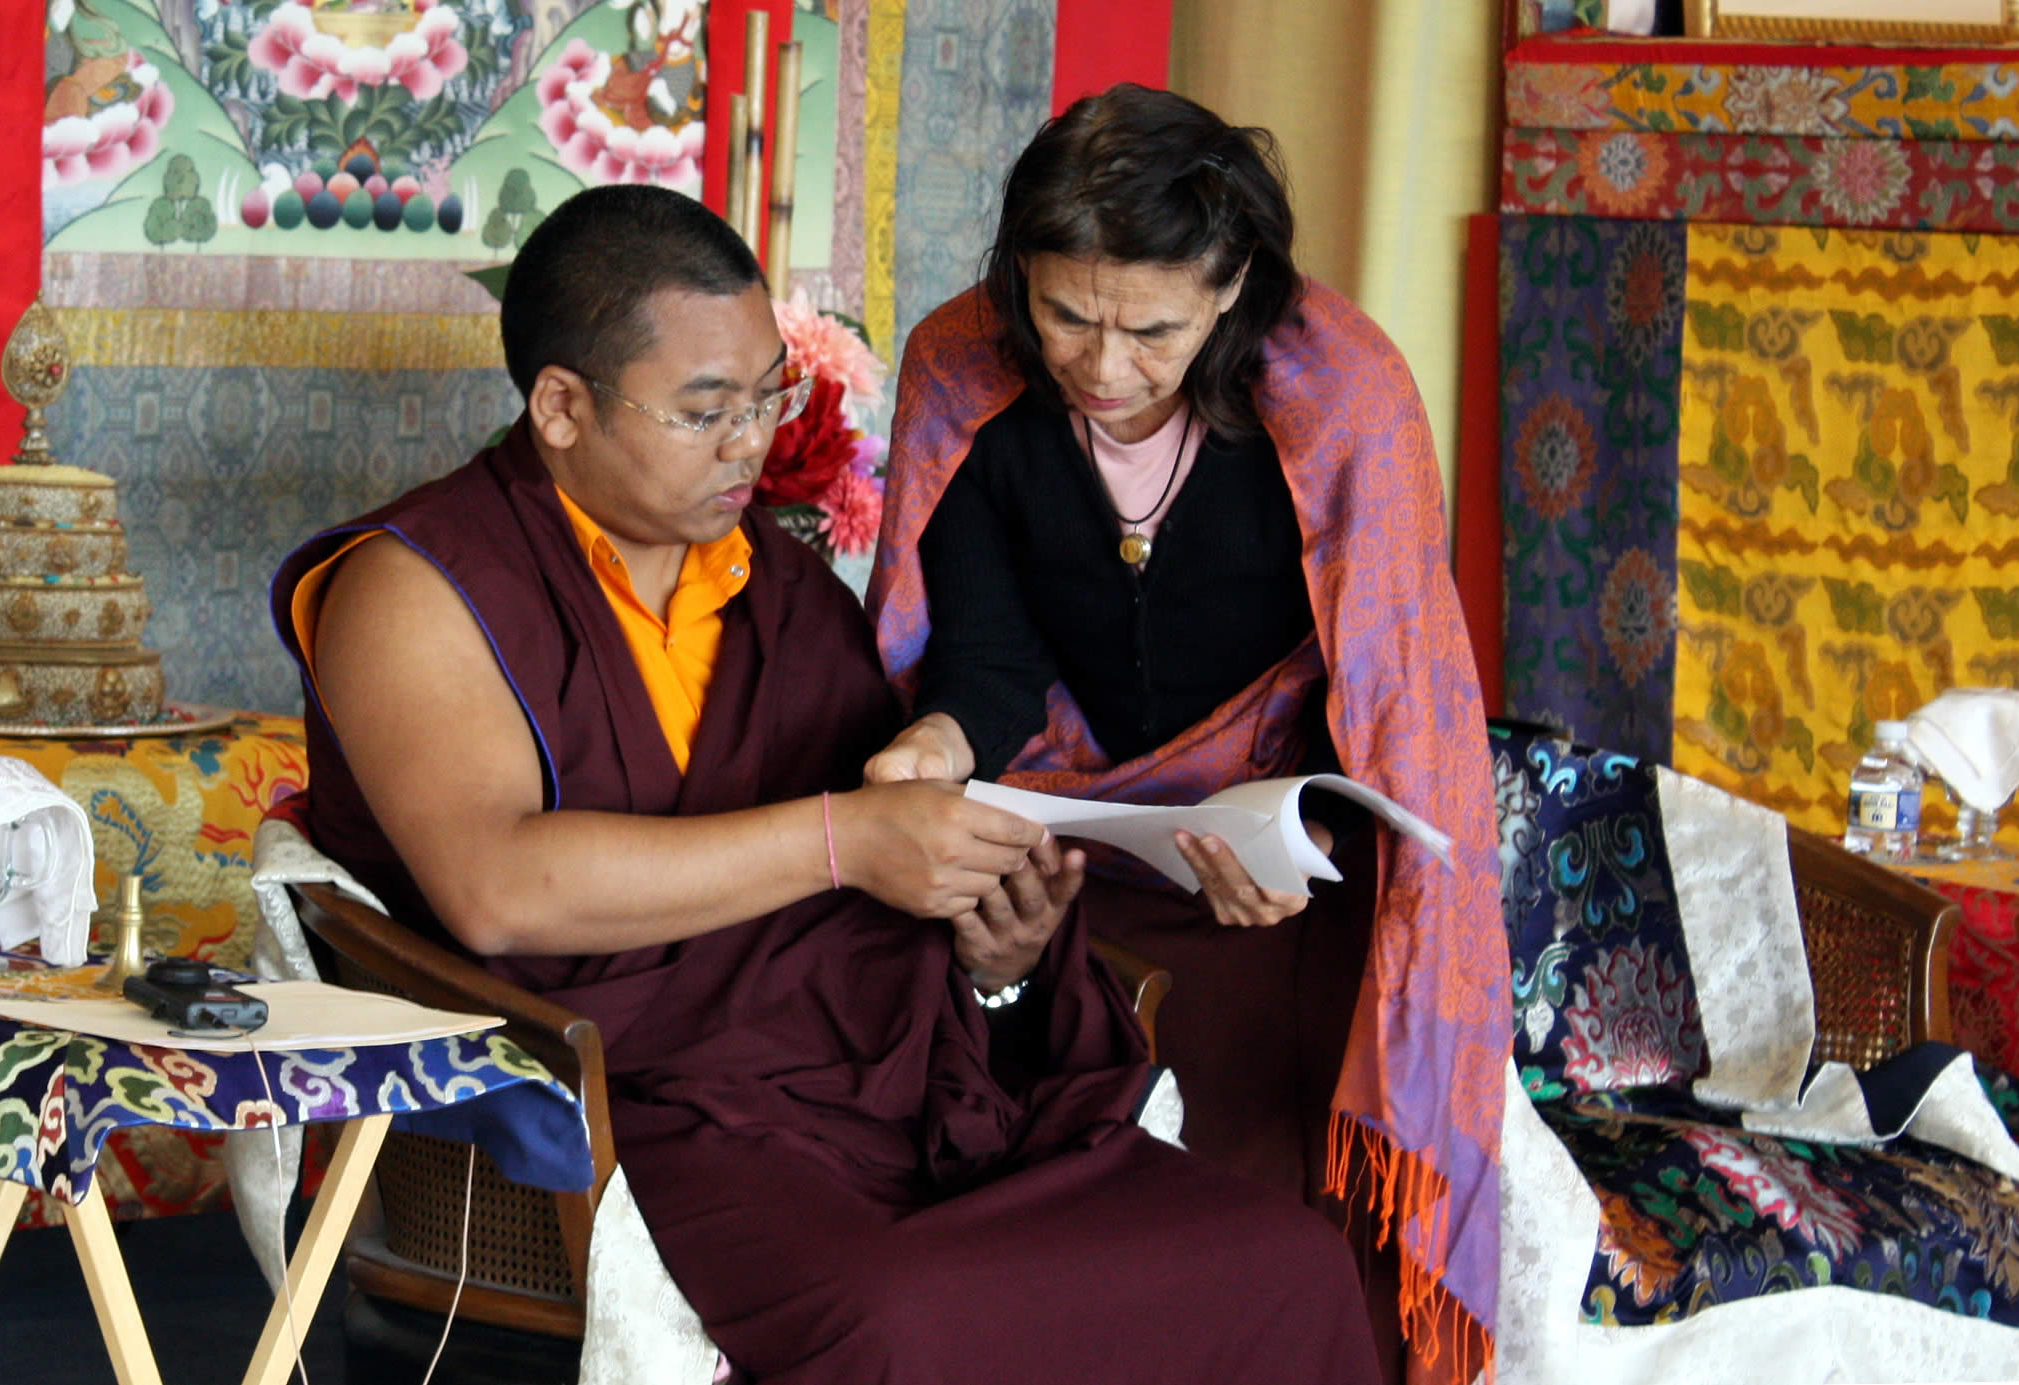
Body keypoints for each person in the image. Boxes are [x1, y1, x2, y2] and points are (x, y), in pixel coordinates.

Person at [269, 184, 1381, 1383]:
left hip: (874, 1090)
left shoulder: (784, 592)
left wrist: (993, 965)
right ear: (560, 406)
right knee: (905, 1319)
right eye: (707, 410)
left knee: (1276, 1258)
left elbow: (871, 924)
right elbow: (497, 890)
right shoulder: (415, 585)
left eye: (767, 397)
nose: (751, 441)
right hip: (630, 1106)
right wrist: (847, 839)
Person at [863, 86, 1508, 1385]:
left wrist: (1301, 839)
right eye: (1063, 314)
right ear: (1016, 281)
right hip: (1060, 834)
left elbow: (1381, 695)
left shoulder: (1343, 398)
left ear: (1232, 291)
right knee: (951, 1053)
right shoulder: (965, 373)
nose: (1101, 366)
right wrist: (932, 743)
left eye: (1148, 328)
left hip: (1282, 868)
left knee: (1275, 1152)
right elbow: (982, 661)